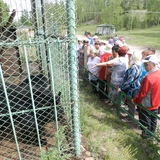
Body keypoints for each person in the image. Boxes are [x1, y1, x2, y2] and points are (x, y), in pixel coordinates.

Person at [132, 55, 160, 138]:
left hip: (146, 103)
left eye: (146, 65)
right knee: (153, 120)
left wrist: (135, 100)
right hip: (156, 103)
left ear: (153, 64)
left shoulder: (149, 77)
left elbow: (143, 93)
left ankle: (146, 136)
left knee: (145, 121)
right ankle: (151, 136)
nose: (145, 67)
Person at [118, 51, 142, 122]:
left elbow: (130, 80)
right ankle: (130, 116)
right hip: (136, 87)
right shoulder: (139, 66)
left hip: (131, 89)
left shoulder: (134, 67)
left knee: (131, 104)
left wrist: (122, 88)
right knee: (131, 104)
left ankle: (130, 118)